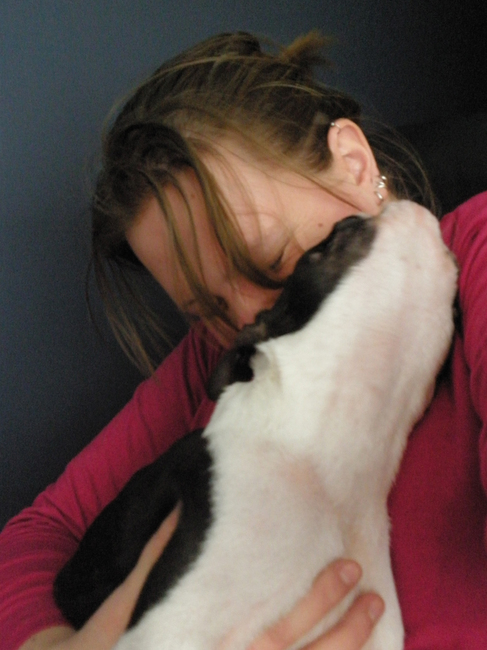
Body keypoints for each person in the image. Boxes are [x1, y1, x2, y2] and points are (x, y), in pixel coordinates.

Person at [1, 30, 486, 650]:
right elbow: (37, 535)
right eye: (206, 308)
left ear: (354, 163)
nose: (255, 321)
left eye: (272, 260)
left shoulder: (475, 249)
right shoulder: (226, 356)